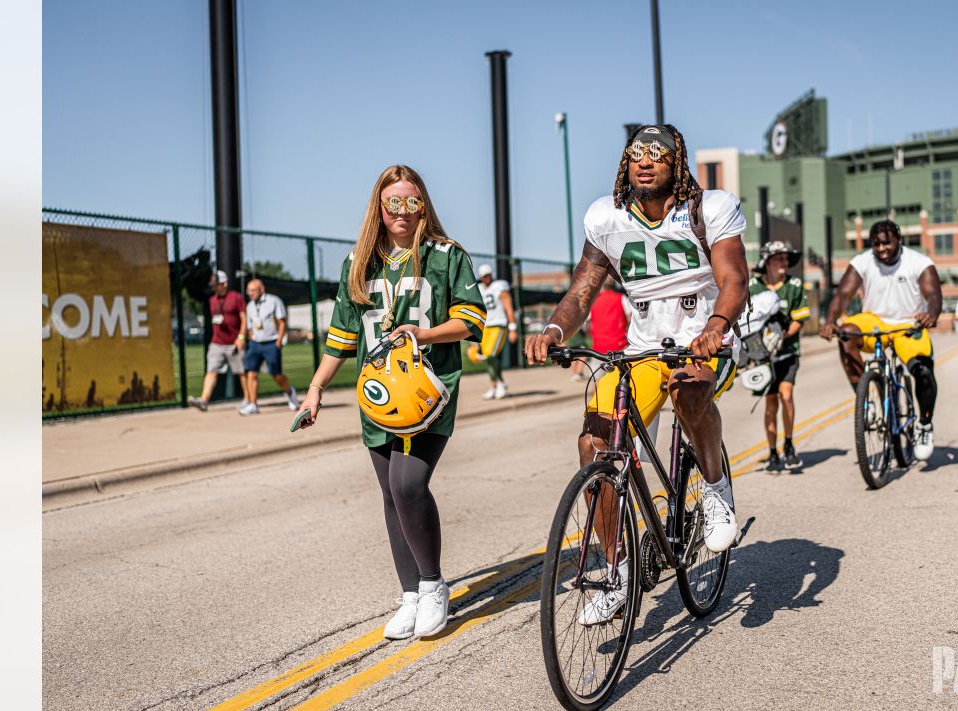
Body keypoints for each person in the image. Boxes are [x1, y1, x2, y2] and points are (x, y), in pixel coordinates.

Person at [524, 124, 749, 625]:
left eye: (658, 155)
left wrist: (717, 324)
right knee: (594, 446)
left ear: (677, 164)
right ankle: (617, 570)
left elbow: (734, 277)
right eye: (635, 155)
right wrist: (556, 329)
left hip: (706, 340)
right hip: (644, 348)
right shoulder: (607, 217)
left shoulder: (708, 209)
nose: (645, 162)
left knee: (689, 390)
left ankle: (714, 489)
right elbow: (582, 291)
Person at [293, 165, 485, 640]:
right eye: (392, 203)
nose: (402, 212)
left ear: (424, 205)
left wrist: (425, 332)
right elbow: (340, 338)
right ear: (378, 208)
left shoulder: (446, 256)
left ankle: (434, 584)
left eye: (411, 202)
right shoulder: (358, 263)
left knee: (408, 484)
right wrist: (315, 389)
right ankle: (411, 594)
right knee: (389, 493)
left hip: (427, 389)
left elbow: (471, 320)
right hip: (376, 393)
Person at [819, 219, 943, 461]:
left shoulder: (918, 262)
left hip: (908, 323)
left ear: (898, 239)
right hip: (875, 321)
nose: (881, 249)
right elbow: (843, 293)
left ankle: (925, 425)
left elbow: (933, 294)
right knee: (846, 333)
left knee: (924, 373)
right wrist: (830, 320)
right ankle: (865, 400)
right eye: (876, 244)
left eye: (886, 243)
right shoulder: (862, 261)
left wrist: (932, 313)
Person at [749, 241, 810, 473]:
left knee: (786, 394)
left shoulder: (794, 285)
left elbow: (799, 320)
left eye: (786, 259)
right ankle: (773, 452)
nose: (784, 263)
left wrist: (781, 336)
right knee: (770, 402)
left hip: (787, 352)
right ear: (767, 262)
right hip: (763, 357)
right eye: (779, 259)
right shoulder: (753, 286)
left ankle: (789, 443)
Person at [239, 279, 300, 415]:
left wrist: (279, 341)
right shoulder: (249, 306)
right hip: (255, 343)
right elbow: (249, 326)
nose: (250, 293)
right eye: (248, 291)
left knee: (276, 374)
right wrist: (250, 337)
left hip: (271, 343)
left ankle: (290, 392)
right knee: (251, 372)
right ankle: (253, 404)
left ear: (262, 289)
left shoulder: (274, 301)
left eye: (253, 290)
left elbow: (282, 322)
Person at [188, 271, 246, 411]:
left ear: (224, 284)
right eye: (213, 285)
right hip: (217, 342)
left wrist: (241, 336)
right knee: (211, 370)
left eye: (217, 285)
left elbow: (244, 318)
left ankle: (248, 400)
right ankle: (204, 400)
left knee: (242, 372)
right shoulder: (212, 300)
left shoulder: (236, 297)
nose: (214, 288)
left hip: (234, 342)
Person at [470, 264, 517, 399]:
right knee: (488, 357)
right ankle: (494, 386)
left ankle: (500, 384)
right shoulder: (478, 289)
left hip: (499, 324)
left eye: (489, 275)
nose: (487, 278)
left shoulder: (499, 286)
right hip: (486, 326)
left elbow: (508, 307)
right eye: (485, 276)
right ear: (480, 277)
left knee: (490, 354)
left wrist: (513, 327)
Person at [585, 276, 634, 376]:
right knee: (621, 379)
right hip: (619, 347)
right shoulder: (621, 298)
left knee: (597, 382)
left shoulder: (593, 301)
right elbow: (631, 320)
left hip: (598, 348)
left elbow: (588, 323)